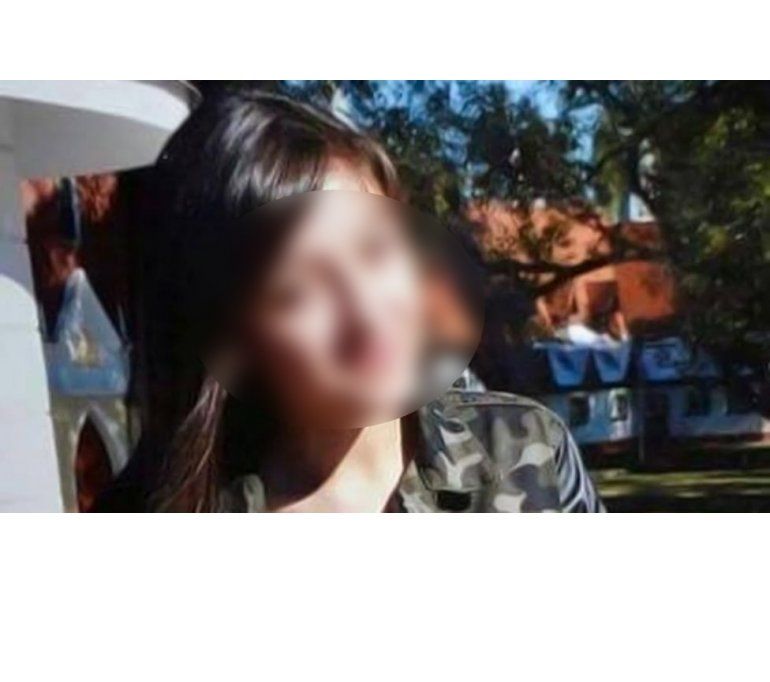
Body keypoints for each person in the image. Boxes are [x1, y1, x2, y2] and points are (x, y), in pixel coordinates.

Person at [95, 90, 604, 512]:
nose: (366, 313)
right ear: (230, 332)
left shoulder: (528, 453)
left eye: (375, 249)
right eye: (297, 292)